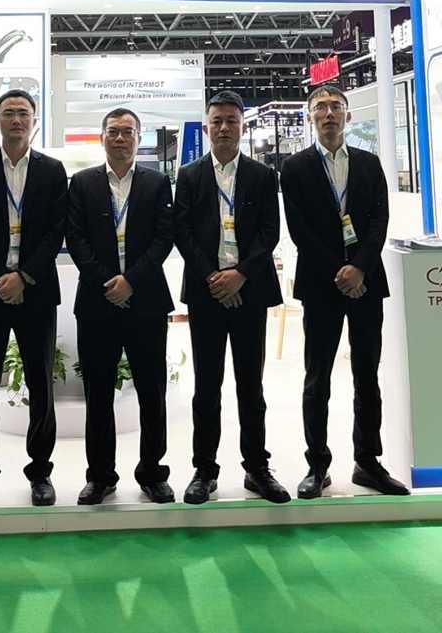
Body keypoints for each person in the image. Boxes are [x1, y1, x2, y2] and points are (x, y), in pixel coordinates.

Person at [280, 83, 410, 499]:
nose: (329, 113)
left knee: (367, 375)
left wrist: (360, 268)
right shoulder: (295, 167)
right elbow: (299, 229)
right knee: (317, 378)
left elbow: (379, 220)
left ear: (348, 116)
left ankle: (368, 462)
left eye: (336, 106)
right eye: (320, 107)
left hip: (366, 283)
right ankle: (317, 465)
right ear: (310, 117)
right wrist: (340, 270)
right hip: (322, 284)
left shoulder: (370, 164)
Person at [173, 89, 289, 505]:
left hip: (250, 293)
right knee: (207, 386)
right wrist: (214, 277)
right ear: (206, 127)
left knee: (250, 385)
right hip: (206, 294)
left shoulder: (262, 175)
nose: (224, 128)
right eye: (217, 121)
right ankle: (204, 470)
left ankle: (257, 468)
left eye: (232, 121)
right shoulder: (189, 175)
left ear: (242, 126)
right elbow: (182, 232)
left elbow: (270, 232)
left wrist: (240, 275)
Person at [0, 88, 67, 508]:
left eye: (23, 113)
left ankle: (40, 472)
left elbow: (55, 230)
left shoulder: (53, 171)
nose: (16, 119)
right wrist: (1, 277)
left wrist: (23, 276)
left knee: (41, 383)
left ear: (34, 121)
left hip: (36, 291)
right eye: (9, 113)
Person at [66, 107, 176, 506]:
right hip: (97, 304)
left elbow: (164, 238)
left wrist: (132, 281)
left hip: (146, 302)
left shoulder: (157, 183)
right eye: (113, 131)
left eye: (127, 132)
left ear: (138, 138)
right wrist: (107, 282)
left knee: (152, 392)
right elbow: (76, 239)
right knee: (98, 395)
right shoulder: (82, 183)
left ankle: (152, 473)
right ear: (102, 137)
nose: (120, 138)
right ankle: (100, 476)